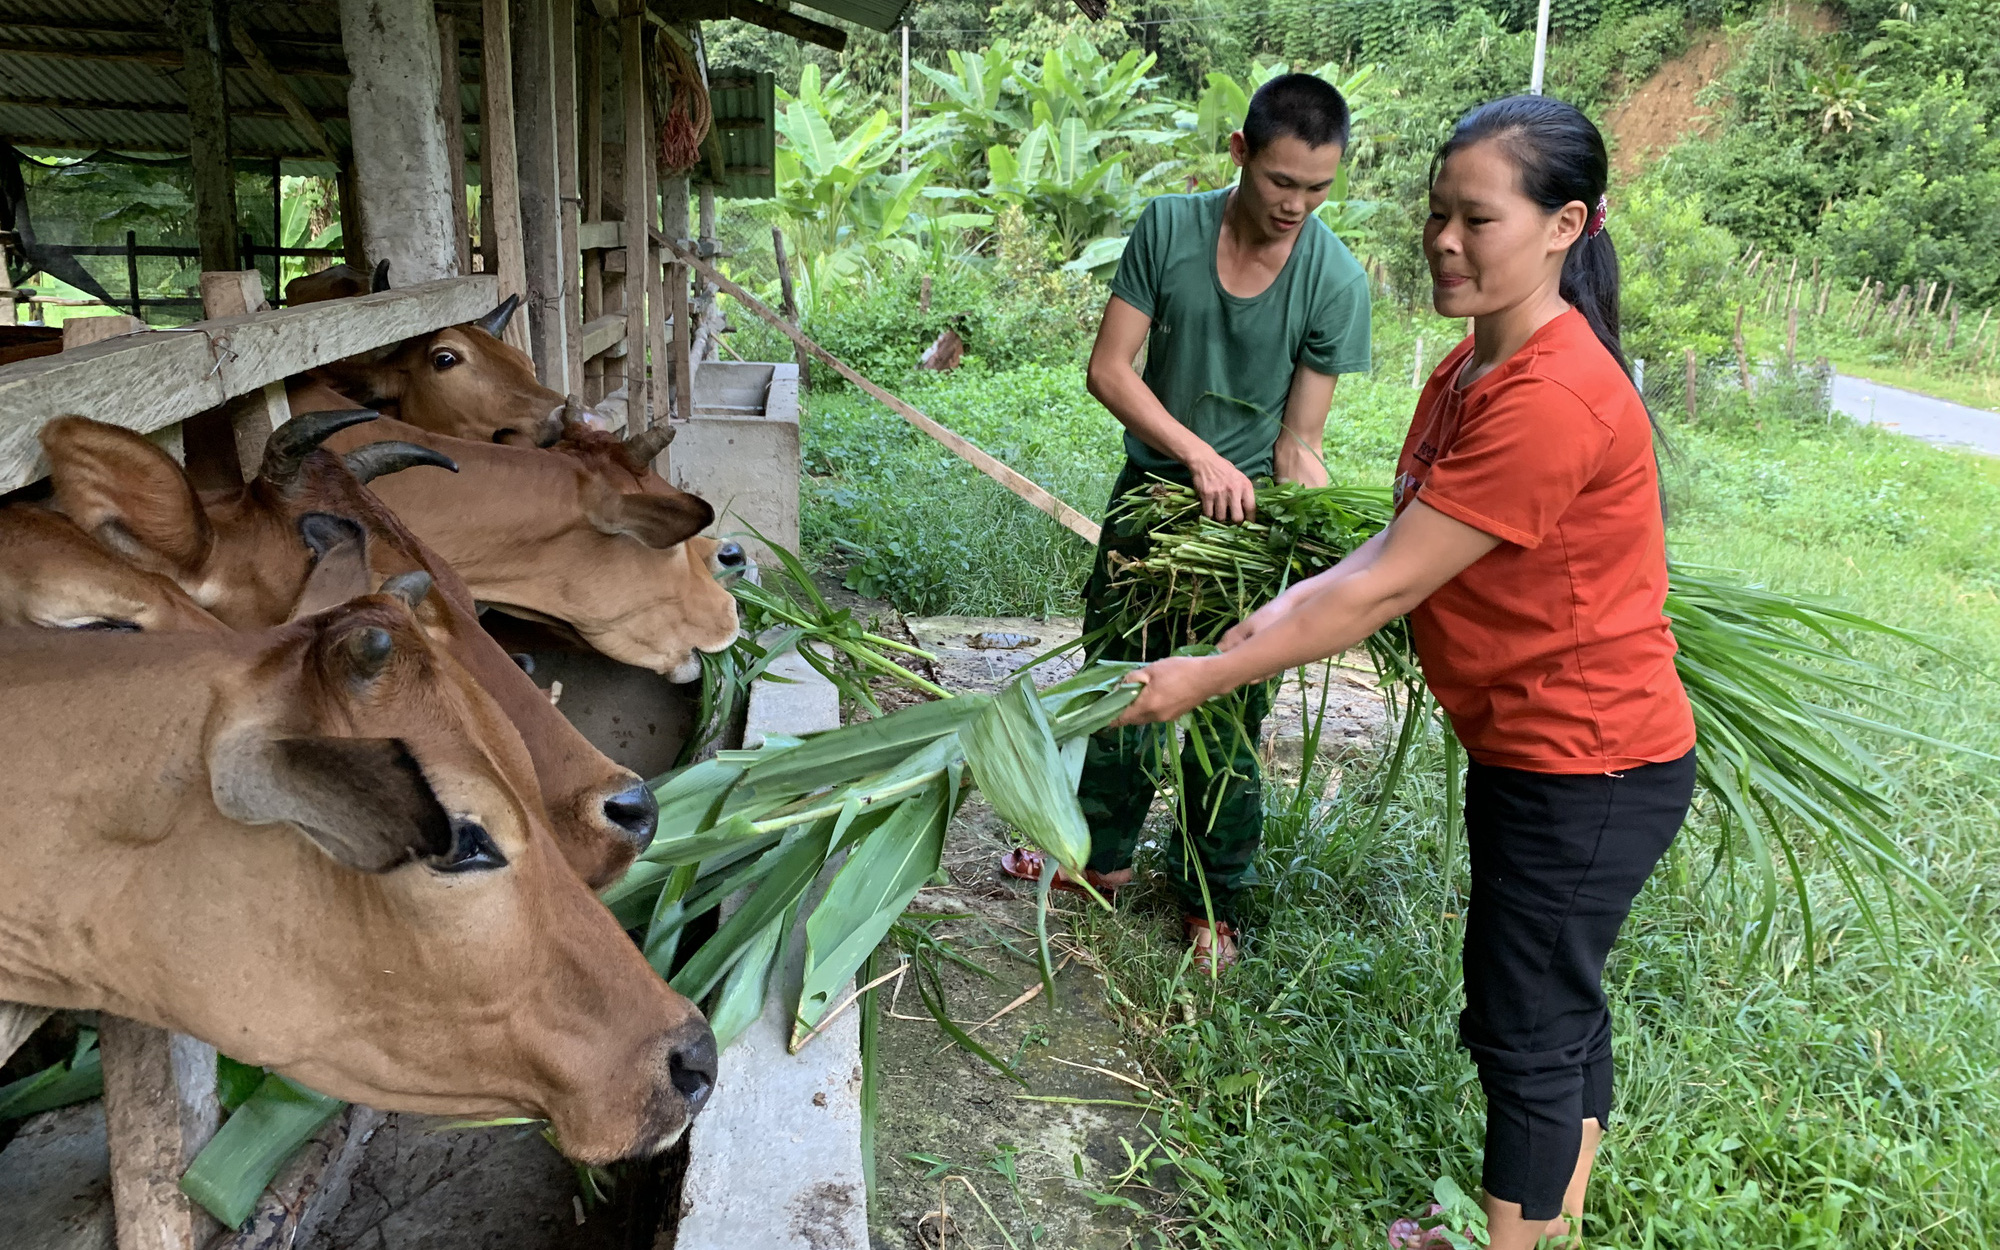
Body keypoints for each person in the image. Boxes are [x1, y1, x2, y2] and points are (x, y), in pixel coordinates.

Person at [1109, 94, 1697, 1250]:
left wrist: (1199, 677)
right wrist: (1266, 615)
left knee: (1521, 1017)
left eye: (1475, 220)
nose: (1441, 240)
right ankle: (1555, 1222)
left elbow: (1384, 590)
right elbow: (1382, 550)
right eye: (1436, 213)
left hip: (1588, 760)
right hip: (1537, 744)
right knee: (1550, 998)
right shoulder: (1468, 366)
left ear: (1563, 226)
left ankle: (1507, 1240)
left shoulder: (1553, 397)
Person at [998, 73, 1373, 972]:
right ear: (1241, 153)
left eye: (1319, 188)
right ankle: (1104, 859)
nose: (1297, 205)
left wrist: (1311, 533)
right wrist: (1197, 454)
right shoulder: (1168, 228)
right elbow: (1111, 370)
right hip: (1153, 500)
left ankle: (1215, 901)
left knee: (1230, 710)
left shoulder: (1335, 280)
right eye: (1283, 181)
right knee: (1119, 683)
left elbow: (1299, 440)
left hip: (1242, 532)